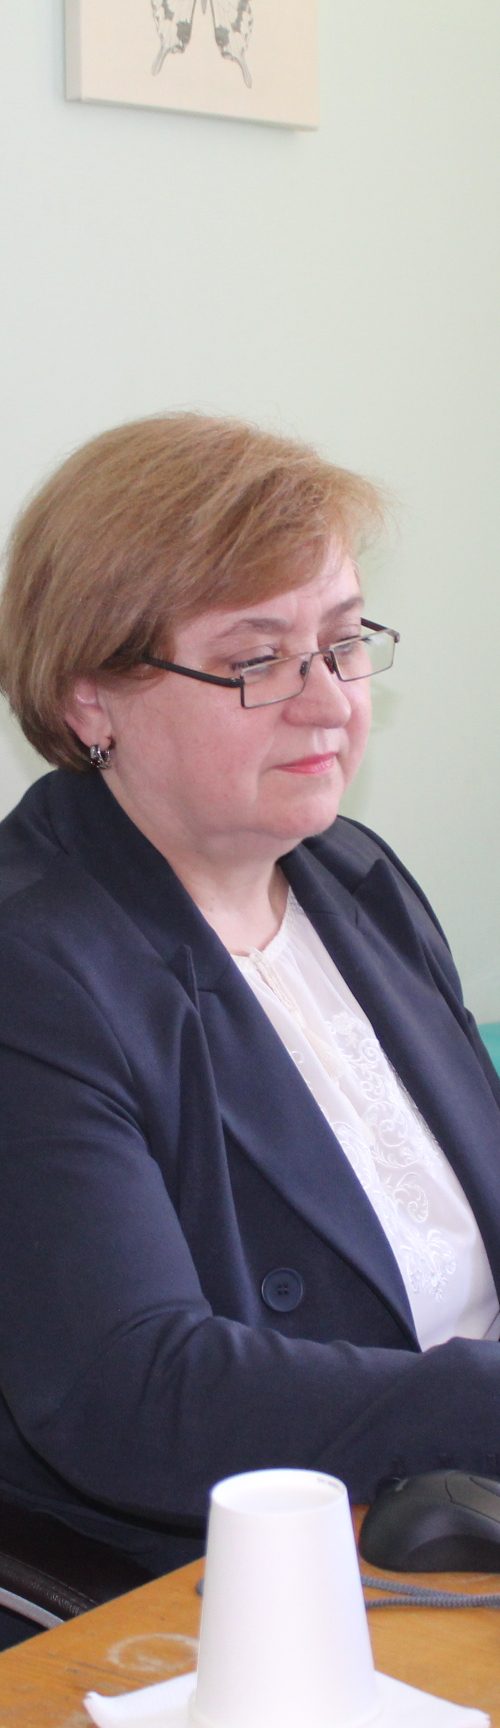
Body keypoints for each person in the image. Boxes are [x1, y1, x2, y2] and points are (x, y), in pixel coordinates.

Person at [0, 412, 499, 1595]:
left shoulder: (354, 877)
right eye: (255, 661)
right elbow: (131, 1388)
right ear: (90, 699)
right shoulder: (33, 967)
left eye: (339, 643)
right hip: (252, 1576)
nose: (326, 703)